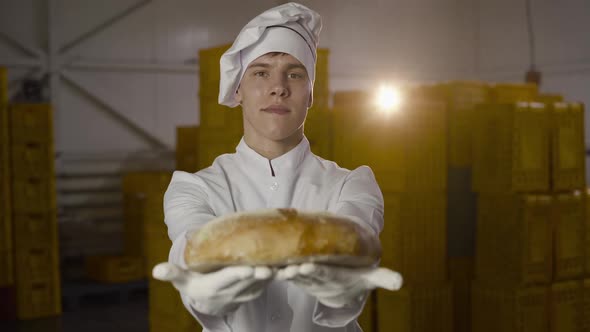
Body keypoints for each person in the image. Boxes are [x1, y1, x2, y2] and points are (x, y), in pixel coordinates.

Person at [152, 2, 402, 331]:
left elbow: (355, 238)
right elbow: (191, 241)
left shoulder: (352, 185)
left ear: (311, 93)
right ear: (238, 89)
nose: (278, 87)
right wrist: (199, 280)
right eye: (261, 72)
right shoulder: (194, 188)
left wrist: (343, 285)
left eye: (295, 74)